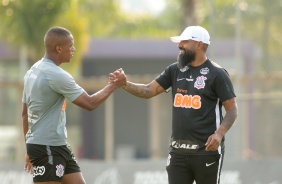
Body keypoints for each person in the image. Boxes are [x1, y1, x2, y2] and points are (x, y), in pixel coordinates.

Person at [110, 25, 238, 184]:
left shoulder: (217, 73)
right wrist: (124, 84)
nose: (179, 45)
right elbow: (149, 91)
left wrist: (219, 134)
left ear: (199, 44)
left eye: (184, 41)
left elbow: (232, 110)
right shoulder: (174, 70)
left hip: (206, 152)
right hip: (178, 152)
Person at [22, 26, 126, 184]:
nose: (74, 49)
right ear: (59, 48)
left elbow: (25, 113)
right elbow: (90, 103)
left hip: (57, 146)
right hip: (47, 146)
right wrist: (114, 85)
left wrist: (29, 146)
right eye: (70, 46)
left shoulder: (32, 71)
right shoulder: (57, 75)